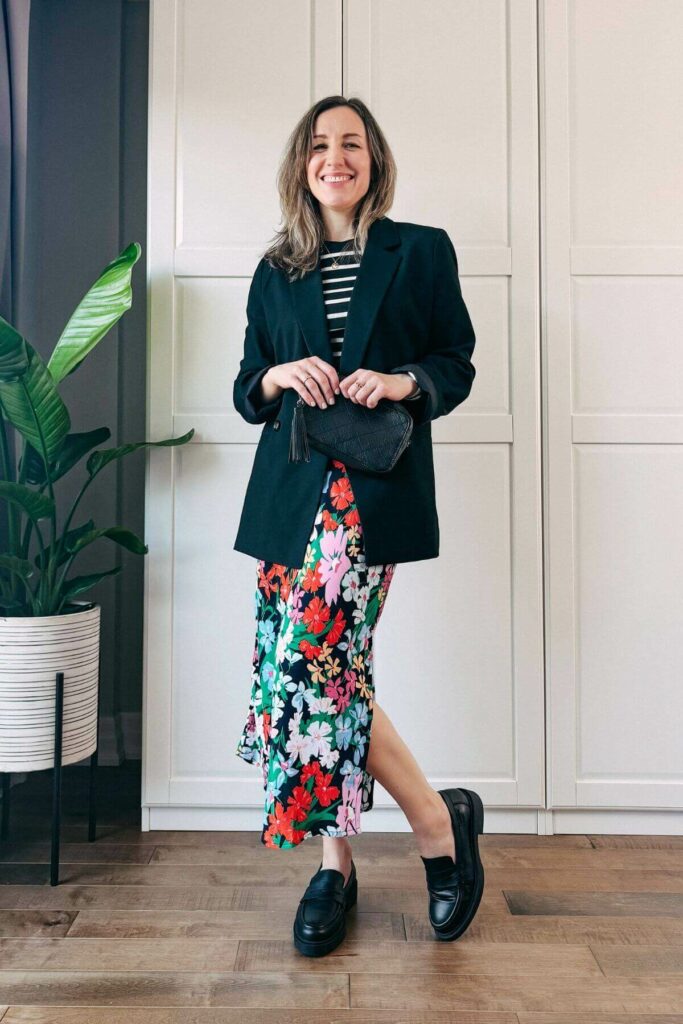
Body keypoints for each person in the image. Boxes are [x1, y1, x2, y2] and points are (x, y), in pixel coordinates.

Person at [232, 95, 484, 957]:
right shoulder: (278, 267)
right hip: (287, 495)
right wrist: (274, 378)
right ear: (300, 164)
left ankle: (432, 830)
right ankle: (336, 864)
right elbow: (245, 387)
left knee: (314, 667)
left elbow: (455, 361)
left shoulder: (419, 251)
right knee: (312, 675)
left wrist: (402, 381)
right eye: (317, 145)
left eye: (350, 143)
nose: (333, 158)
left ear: (372, 158)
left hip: (369, 489)